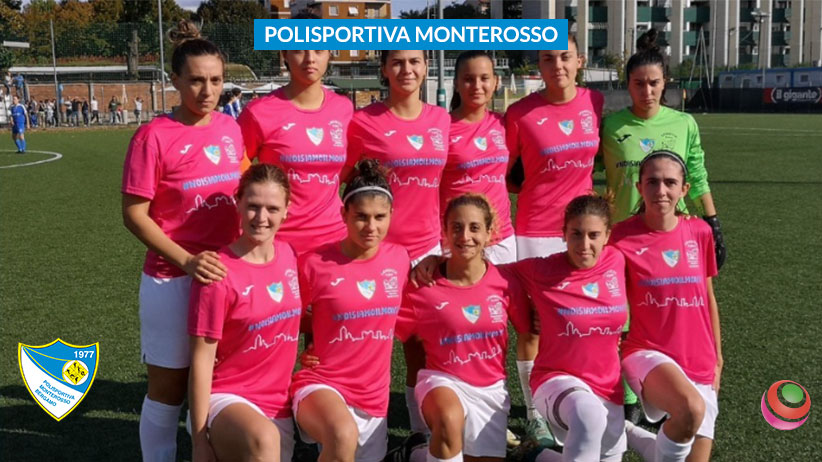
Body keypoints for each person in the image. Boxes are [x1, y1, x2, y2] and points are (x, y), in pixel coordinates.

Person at [121, 20, 243, 462]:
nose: (207, 91)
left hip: (226, 277)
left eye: (216, 80)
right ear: (174, 80)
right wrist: (188, 261)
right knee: (168, 390)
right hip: (171, 279)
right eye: (195, 80)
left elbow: (243, 189)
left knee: (218, 384)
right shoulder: (152, 136)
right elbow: (134, 214)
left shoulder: (230, 129)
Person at [503, 35, 604, 445]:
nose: (558, 65)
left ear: (580, 60)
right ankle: (535, 416)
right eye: (548, 58)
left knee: (579, 321)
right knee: (533, 327)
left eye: (565, 57)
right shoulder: (519, 113)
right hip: (536, 232)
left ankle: (577, 401)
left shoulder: (595, 102)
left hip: (582, 233)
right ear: (539, 65)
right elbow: (504, 172)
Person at [346, 49, 450, 436]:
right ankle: (355, 428)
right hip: (376, 251)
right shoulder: (363, 122)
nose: (407, 69)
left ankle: (420, 431)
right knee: (367, 342)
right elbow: (343, 180)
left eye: (415, 61)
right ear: (384, 69)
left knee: (421, 345)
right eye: (397, 62)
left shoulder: (441, 119)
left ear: (426, 66)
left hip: (426, 250)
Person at [397, 193, 531, 462]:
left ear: (489, 232)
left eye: (474, 228)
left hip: (491, 390)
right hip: (441, 380)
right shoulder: (422, 284)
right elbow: (380, 328)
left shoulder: (506, 282)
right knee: (449, 420)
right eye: (456, 227)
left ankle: (415, 453)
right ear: (445, 231)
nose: (465, 236)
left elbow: (530, 332)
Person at [291, 159, 410, 462]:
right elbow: (282, 317)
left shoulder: (400, 260)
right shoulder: (314, 263)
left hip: (374, 396)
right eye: (361, 217)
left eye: (380, 217)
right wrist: (312, 341)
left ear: (391, 215)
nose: (371, 227)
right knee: (343, 435)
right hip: (323, 384)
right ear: (344, 214)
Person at [609, 150, 723, 462]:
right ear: (639, 186)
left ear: (684, 189)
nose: (661, 190)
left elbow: (708, 298)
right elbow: (600, 292)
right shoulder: (619, 238)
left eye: (670, 182)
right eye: (652, 182)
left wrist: (718, 358)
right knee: (690, 409)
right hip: (648, 351)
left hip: (699, 359)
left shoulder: (699, 232)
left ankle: (630, 434)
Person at [188, 164, 300, 462]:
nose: (261, 218)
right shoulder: (217, 272)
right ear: (237, 203)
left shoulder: (289, 256)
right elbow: (201, 359)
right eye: (253, 206)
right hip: (228, 398)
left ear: (287, 210)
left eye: (272, 208)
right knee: (264, 440)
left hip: (279, 405)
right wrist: (199, 442)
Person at [512, 194, 628, 462]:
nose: (584, 244)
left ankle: (537, 456)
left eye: (593, 235)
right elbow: (485, 275)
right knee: (588, 414)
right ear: (563, 234)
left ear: (607, 236)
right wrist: (438, 263)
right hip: (555, 379)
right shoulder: (542, 269)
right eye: (576, 234)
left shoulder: (617, 260)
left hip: (609, 387)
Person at [600, 28, 726, 269]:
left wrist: (713, 223)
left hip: (673, 231)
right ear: (628, 84)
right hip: (622, 236)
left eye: (654, 83)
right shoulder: (610, 127)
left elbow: (697, 177)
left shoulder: (684, 124)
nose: (647, 92)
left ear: (664, 82)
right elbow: (583, 168)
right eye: (639, 83)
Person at [238, 31, 353, 256]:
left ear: (330, 54)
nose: (310, 58)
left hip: (335, 240)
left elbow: (349, 165)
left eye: (318, 50)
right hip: (279, 242)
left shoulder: (343, 108)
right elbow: (235, 165)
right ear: (285, 55)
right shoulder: (260, 111)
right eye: (300, 50)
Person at [442, 51, 516, 265]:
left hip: (500, 236)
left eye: (484, 78)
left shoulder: (503, 123)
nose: (477, 86)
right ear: (456, 84)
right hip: (459, 237)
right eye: (468, 79)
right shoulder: (442, 127)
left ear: (495, 82)